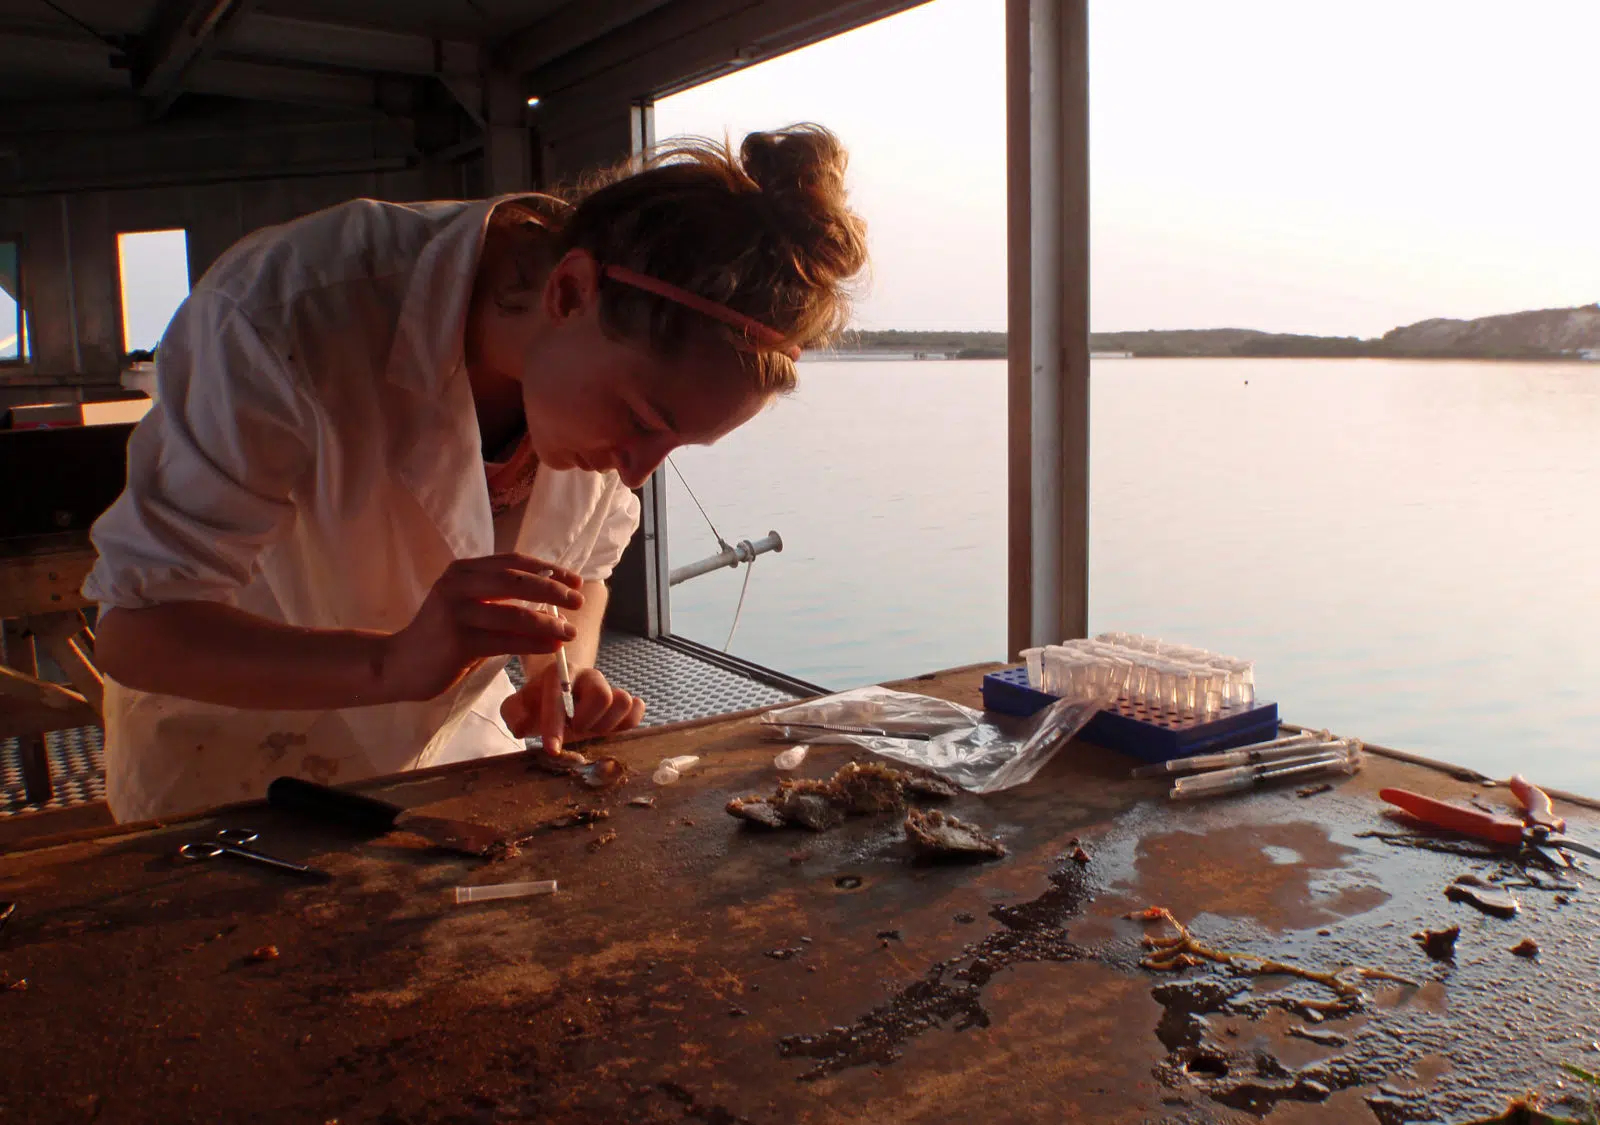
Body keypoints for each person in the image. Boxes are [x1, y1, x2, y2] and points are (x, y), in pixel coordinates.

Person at [83, 123, 869, 822]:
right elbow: (138, 629)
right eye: (641, 420)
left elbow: (584, 572)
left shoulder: (597, 363)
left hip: (444, 767)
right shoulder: (282, 315)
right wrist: (393, 662)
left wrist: (562, 668)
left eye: (673, 447)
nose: (635, 470)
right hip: (235, 770)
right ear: (569, 290)